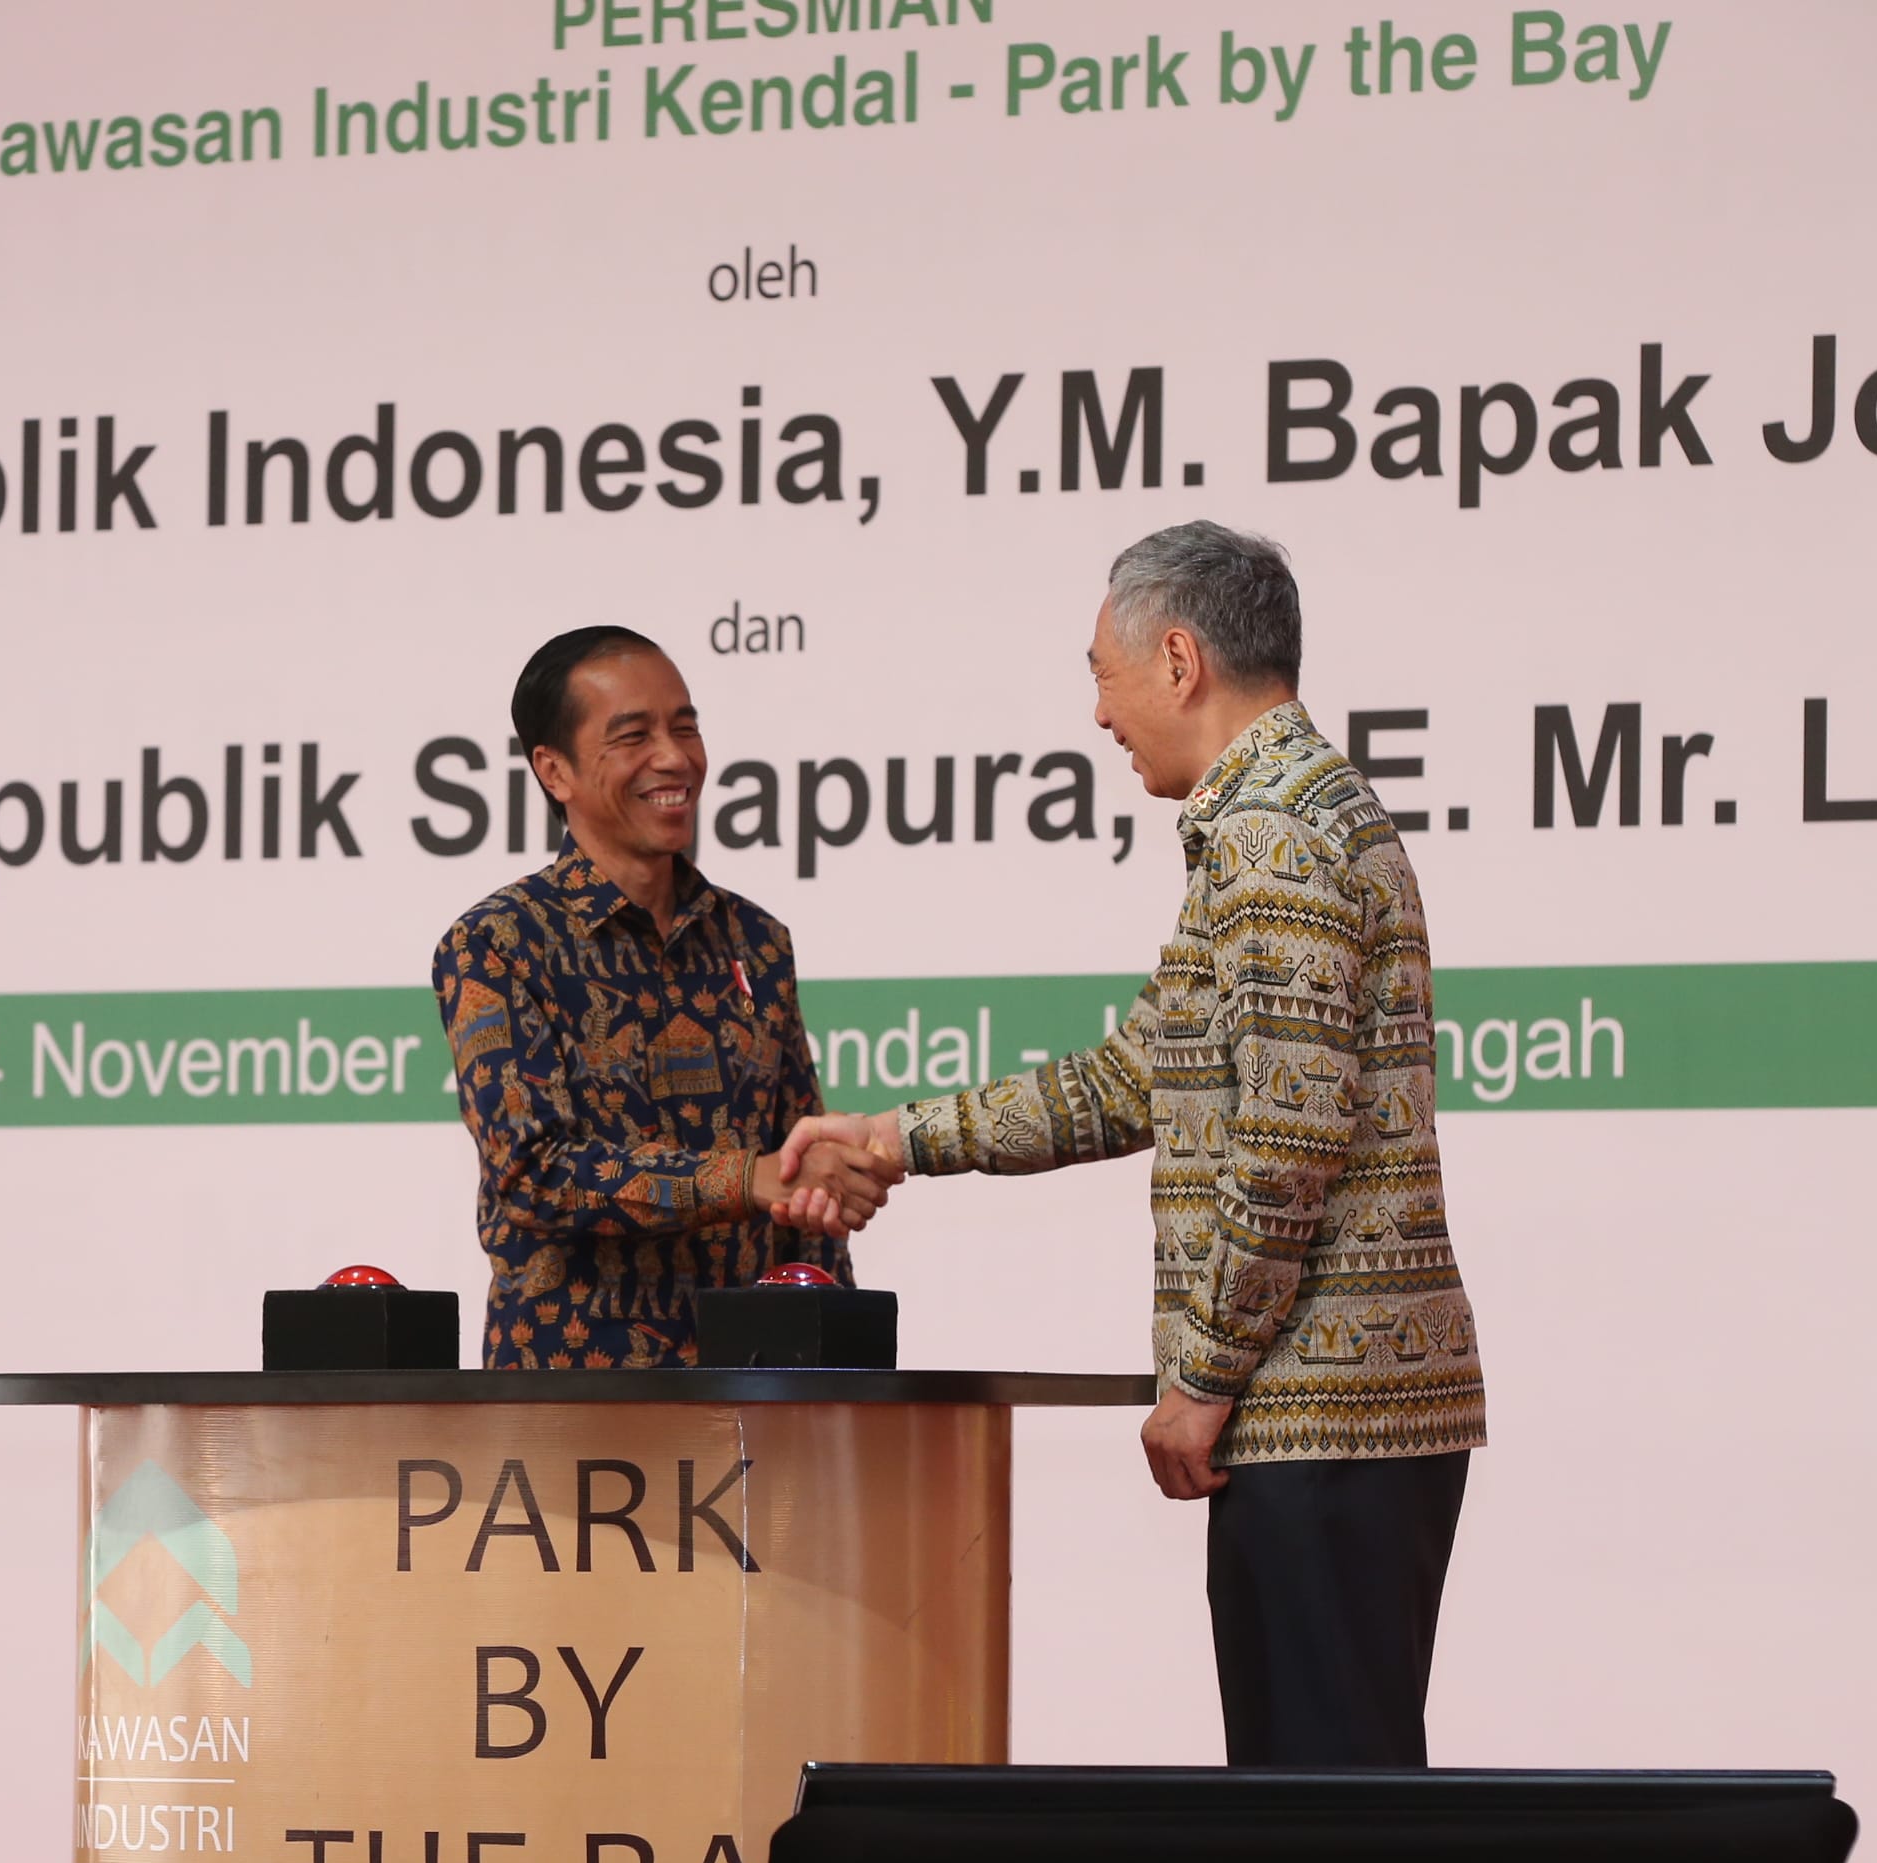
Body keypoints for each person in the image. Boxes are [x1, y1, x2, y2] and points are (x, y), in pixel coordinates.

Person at [788, 523, 1485, 1764]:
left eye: (1104, 676)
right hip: (1336, 1415)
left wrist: (1202, 1378)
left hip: (1319, 1416)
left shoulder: (1272, 832)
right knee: (1337, 1803)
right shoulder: (1288, 813)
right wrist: (896, 1139)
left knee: (1330, 1818)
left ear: (1178, 660)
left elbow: (1289, 1136)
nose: (1099, 714)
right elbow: (1134, 1078)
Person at [433, 626, 899, 1369]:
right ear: (555, 770)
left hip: (750, 1390)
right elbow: (534, 1175)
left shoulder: (756, 941)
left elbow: (798, 1165)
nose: (675, 757)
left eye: (685, 728)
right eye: (633, 736)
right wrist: (748, 1178)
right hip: (573, 1394)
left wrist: (841, 1363)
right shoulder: (500, 942)